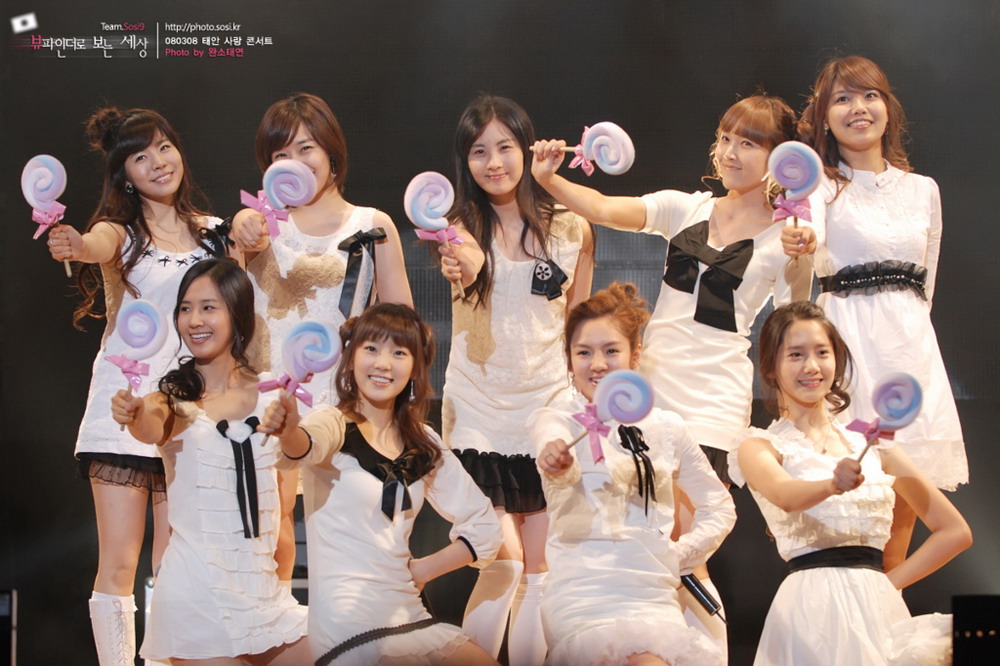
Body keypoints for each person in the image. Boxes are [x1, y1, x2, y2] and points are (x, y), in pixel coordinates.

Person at [531, 94, 810, 654]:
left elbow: (798, 316)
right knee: (649, 532)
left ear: (780, 159)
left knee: (684, 548)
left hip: (713, 403)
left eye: (748, 143)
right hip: (647, 395)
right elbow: (604, 208)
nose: (730, 153)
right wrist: (548, 179)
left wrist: (802, 253)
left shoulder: (788, 236)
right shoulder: (687, 208)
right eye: (725, 139)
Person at [45, 106, 235, 665]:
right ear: (125, 175)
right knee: (120, 562)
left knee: (176, 565)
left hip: (188, 413)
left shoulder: (214, 233)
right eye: (140, 157)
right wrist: (75, 244)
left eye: (164, 148)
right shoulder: (122, 233)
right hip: (123, 410)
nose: (158, 163)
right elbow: (94, 244)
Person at [782, 55, 969, 571]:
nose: (858, 108)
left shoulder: (923, 189)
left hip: (909, 348)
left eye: (869, 95)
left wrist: (912, 339)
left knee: (906, 495)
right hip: (849, 345)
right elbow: (808, 231)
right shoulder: (818, 184)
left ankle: (887, 600)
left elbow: (927, 282)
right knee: (853, 490)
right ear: (824, 117)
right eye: (842, 99)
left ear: (888, 107)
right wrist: (801, 239)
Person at [230, 92, 413, 586]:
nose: (295, 161)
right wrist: (240, 237)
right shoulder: (257, 226)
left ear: (331, 150)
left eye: (306, 148)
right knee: (270, 543)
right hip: (268, 403)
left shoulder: (372, 225)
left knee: (348, 548)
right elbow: (227, 313)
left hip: (344, 407)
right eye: (280, 154)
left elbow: (402, 326)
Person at [436, 94, 594, 664]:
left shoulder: (572, 228)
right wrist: (459, 260)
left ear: (527, 149)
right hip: (479, 411)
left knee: (540, 569)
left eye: (504, 147)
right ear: (465, 162)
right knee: (501, 563)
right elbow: (463, 264)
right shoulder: (456, 230)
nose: (494, 162)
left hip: (545, 411)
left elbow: (579, 320)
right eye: (479, 151)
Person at [260, 303, 503, 665]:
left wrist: (424, 569)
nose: (383, 364)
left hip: (407, 611)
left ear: (415, 366)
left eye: (399, 352)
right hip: (347, 621)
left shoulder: (424, 442)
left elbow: (484, 525)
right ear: (351, 358)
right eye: (371, 348)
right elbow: (303, 446)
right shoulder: (332, 423)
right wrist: (288, 430)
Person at [732, 301, 972, 665]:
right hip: (811, 609)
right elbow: (784, 495)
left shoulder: (875, 445)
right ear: (770, 367)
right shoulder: (760, 445)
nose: (811, 366)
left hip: (879, 610)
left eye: (822, 352)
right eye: (796, 354)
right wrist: (832, 485)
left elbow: (955, 532)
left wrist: (886, 585)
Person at [110, 258, 310, 664]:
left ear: (237, 314)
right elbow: (148, 425)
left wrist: (283, 584)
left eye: (208, 307)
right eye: (185, 308)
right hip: (195, 598)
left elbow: (286, 502)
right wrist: (133, 413)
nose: (194, 320)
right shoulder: (170, 399)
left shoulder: (274, 396)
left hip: (264, 597)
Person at [529, 282, 734, 666]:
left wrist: (677, 555)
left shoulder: (668, 428)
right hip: (581, 597)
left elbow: (719, 507)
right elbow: (548, 441)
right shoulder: (556, 420)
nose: (598, 364)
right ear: (569, 359)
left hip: (654, 599)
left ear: (635, 354)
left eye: (611, 350)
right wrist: (555, 456)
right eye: (583, 352)